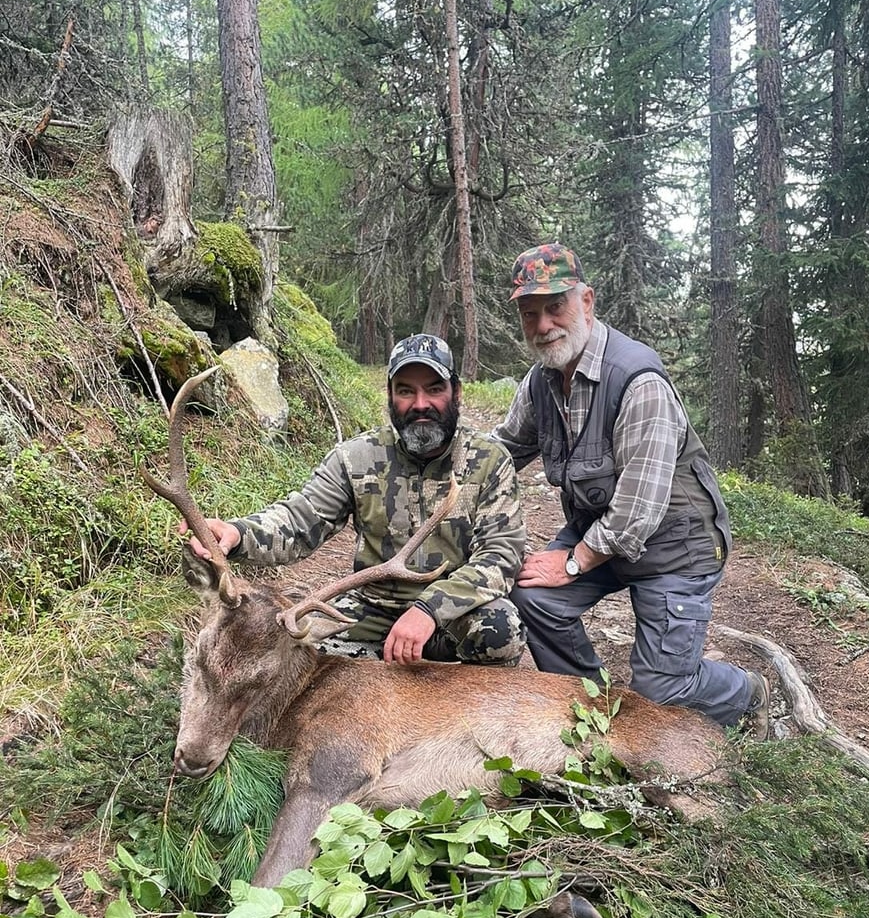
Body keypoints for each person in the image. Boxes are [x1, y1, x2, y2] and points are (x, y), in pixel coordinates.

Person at [492, 243, 770, 733]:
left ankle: (745, 692)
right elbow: (502, 451)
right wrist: (444, 471)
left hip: (675, 547)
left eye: (555, 307)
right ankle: (596, 714)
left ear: (586, 302)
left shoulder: (637, 381)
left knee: (661, 690)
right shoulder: (541, 381)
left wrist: (573, 561)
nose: (542, 326)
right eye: (529, 313)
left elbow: (636, 516)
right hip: (600, 532)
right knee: (532, 597)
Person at [185, 334, 526, 667]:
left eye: (434, 389)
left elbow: (501, 555)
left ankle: (468, 716)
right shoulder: (357, 458)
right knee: (298, 649)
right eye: (406, 390)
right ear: (390, 396)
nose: (420, 404)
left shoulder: (489, 459)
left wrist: (430, 609)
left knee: (501, 631)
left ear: (457, 392)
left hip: (456, 611)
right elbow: (301, 519)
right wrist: (239, 533)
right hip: (375, 609)